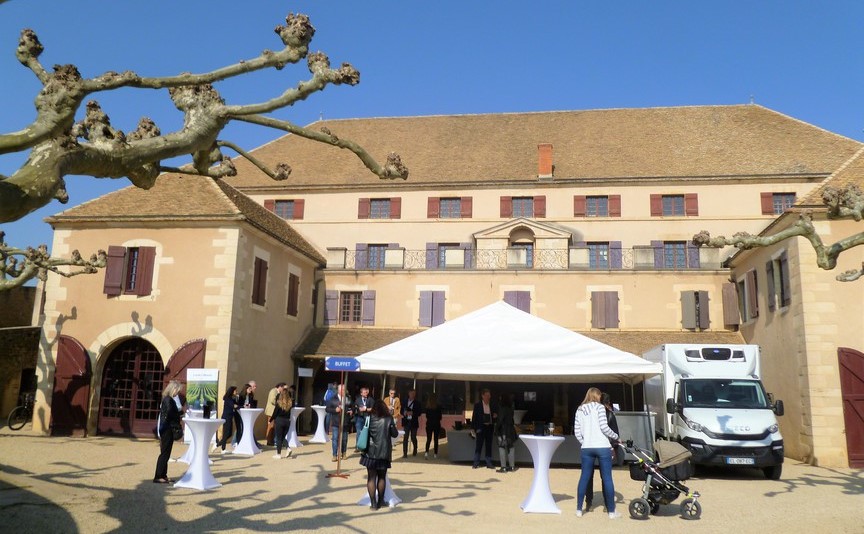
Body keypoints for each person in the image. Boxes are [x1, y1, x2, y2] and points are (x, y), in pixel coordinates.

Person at [574, 387, 620, 519]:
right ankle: (611, 512)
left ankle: (579, 509)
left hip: (587, 447)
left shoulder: (580, 409)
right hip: (602, 446)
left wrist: (584, 442)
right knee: (607, 478)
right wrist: (616, 436)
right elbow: (604, 427)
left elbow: (577, 431)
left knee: (584, 477)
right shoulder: (600, 408)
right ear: (596, 396)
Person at [360, 399, 398, 510]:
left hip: (370, 452)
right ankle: (381, 502)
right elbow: (395, 434)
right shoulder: (388, 418)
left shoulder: (369, 418)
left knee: (371, 478)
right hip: (384, 452)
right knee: (381, 478)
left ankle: (373, 504)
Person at [585, 392, 620, 512]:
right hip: (606, 447)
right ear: (608, 403)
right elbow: (615, 433)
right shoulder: (610, 415)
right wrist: (614, 448)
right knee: (606, 476)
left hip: (590, 446)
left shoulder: (591, 413)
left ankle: (588, 502)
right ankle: (607, 504)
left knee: (588, 475)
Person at [153, 380, 183, 484]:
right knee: (164, 453)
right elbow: (170, 414)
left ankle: (163, 475)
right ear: (173, 389)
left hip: (166, 428)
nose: (177, 393)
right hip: (167, 429)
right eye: (177, 390)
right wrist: (178, 416)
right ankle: (158, 476)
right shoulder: (168, 400)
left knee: (166, 453)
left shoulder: (168, 399)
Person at [471, 388, 497, 469]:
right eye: (486, 395)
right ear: (482, 396)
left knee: (488, 445)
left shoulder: (492, 405)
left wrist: (495, 416)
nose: (488, 397)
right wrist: (473, 428)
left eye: (489, 395)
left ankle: (488, 462)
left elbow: (495, 415)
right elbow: (474, 417)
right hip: (481, 427)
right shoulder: (477, 405)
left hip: (489, 427)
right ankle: (476, 462)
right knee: (479, 445)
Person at [325, 384, 350, 461]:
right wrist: (334, 410)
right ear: (339, 390)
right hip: (336, 421)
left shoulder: (348, 398)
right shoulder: (333, 398)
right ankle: (334, 455)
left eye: (344, 389)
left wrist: (351, 410)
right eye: (342, 389)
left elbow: (351, 406)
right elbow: (327, 409)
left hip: (345, 421)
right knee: (335, 438)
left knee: (344, 439)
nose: (343, 391)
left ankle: (344, 453)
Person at [494, 393, 517, 473]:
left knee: (502, 447)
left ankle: (503, 467)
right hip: (510, 429)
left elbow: (500, 420)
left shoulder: (502, 408)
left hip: (503, 430)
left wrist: (496, 429)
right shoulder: (511, 408)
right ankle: (512, 466)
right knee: (511, 447)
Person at [271, 386, 294, 459]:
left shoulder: (279, 403)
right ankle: (288, 448)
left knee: (279, 438)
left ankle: (278, 454)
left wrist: (270, 420)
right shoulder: (290, 403)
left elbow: (275, 413)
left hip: (279, 420)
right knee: (283, 437)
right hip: (287, 421)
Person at [216, 386, 239, 454]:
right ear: (232, 391)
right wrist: (237, 406)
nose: (236, 392)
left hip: (230, 417)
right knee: (226, 433)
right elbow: (234, 406)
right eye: (235, 391)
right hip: (226, 417)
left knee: (229, 434)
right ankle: (223, 449)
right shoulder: (227, 398)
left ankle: (217, 445)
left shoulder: (232, 398)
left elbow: (236, 405)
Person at [265, 382, 286, 447]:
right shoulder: (273, 391)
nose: (283, 389)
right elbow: (272, 400)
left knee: (274, 427)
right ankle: (269, 441)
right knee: (271, 426)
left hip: (275, 412)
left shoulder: (279, 393)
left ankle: (272, 441)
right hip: (271, 411)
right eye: (283, 388)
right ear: (280, 387)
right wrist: (281, 403)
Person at [423, 393, 443, 459]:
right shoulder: (438, 407)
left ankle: (426, 452)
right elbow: (440, 417)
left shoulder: (428, 407)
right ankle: (435, 454)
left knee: (428, 439)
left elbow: (427, 416)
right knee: (436, 439)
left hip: (429, 424)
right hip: (436, 424)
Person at [401, 389, 420, 457]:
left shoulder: (417, 402)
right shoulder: (404, 401)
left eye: (414, 394)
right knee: (405, 437)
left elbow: (419, 412)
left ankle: (415, 449)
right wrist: (404, 413)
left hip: (414, 422)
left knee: (413, 437)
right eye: (411, 393)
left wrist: (413, 413)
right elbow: (401, 410)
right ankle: (405, 453)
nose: (413, 395)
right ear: (409, 393)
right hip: (406, 421)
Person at [353, 386, 373, 451]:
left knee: (366, 432)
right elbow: (354, 407)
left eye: (366, 392)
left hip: (367, 417)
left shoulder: (370, 399)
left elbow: (374, 409)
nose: (365, 394)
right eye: (364, 393)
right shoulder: (357, 400)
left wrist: (366, 409)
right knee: (359, 432)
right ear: (361, 393)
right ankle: (357, 446)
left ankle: (366, 446)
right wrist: (358, 409)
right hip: (359, 417)